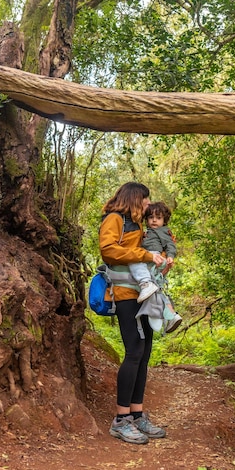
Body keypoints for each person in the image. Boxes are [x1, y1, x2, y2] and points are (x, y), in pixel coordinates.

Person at [99, 182, 167, 444]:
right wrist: (145, 255)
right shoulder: (114, 219)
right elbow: (109, 250)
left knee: (145, 351)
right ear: (135, 198)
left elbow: (144, 255)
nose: (148, 205)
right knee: (134, 351)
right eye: (145, 201)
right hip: (126, 296)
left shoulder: (138, 225)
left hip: (145, 295)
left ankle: (137, 415)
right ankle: (121, 420)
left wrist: (161, 256)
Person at [129, 201, 182, 333]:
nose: (154, 221)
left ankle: (145, 284)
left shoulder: (163, 231)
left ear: (164, 220)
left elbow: (170, 245)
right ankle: (171, 316)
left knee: (133, 260)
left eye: (158, 218)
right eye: (151, 217)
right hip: (150, 257)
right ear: (146, 219)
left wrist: (170, 256)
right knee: (157, 290)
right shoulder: (147, 231)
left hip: (153, 256)